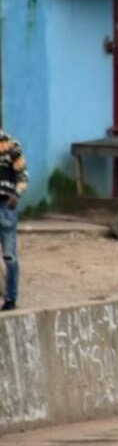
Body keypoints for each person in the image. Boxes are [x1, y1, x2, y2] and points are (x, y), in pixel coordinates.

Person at [0, 129, 26, 311]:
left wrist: (16, 194)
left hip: (5, 205)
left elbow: (23, 175)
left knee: (10, 255)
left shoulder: (11, 146)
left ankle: (11, 298)